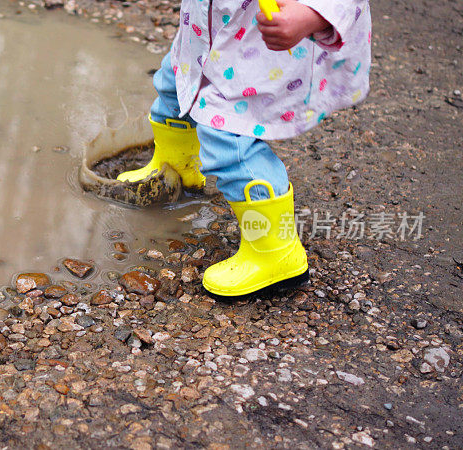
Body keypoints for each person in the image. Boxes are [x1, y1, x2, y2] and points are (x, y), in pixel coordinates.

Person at [118, 0, 371, 296]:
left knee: (228, 135)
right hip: (205, 30)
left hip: (262, 47)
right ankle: (176, 169)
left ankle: (274, 251)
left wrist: (312, 15)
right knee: (175, 84)